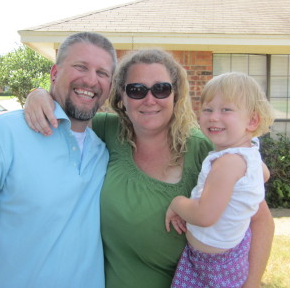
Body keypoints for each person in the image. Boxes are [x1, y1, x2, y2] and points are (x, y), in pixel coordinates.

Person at [25, 49, 275, 288]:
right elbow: (66, 112)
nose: (149, 99)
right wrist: (39, 94)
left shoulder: (208, 150)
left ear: (175, 95)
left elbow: (260, 220)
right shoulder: (107, 131)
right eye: (136, 90)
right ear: (121, 97)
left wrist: (251, 283)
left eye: (161, 89)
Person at [0, 32, 118, 288]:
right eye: (80, 67)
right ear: (54, 73)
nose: (91, 79)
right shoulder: (0, 136)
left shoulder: (103, 148)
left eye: (102, 73)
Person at [165, 72, 275, 288]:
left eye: (226, 110)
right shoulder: (249, 153)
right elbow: (265, 174)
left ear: (252, 120)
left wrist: (176, 202)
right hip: (231, 256)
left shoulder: (227, 163)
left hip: (212, 266)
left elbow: (204, 216)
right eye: (208, 109)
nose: (214, 117)